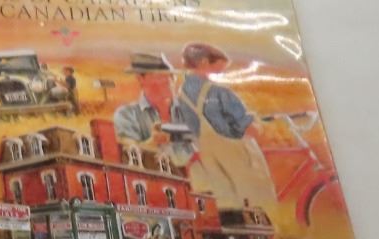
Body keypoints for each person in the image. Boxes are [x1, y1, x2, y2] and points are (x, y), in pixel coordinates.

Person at [175, 42, 275, 208]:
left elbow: (192, 125)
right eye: (219, 68)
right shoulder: (219, 92)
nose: (221, 72)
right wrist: (257, 126)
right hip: (234, 148)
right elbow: (246, 126)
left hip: (207, 151)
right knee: (256, 193)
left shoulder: (182, 93)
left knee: (226, 196)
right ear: (204, 62)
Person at [112, 52, 196, 170]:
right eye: (159, 76)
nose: (167, 80)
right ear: (140, 79)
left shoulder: (191, 111)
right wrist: (152, 143)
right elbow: (128, 154)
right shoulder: (127, 115)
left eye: (171, 76)